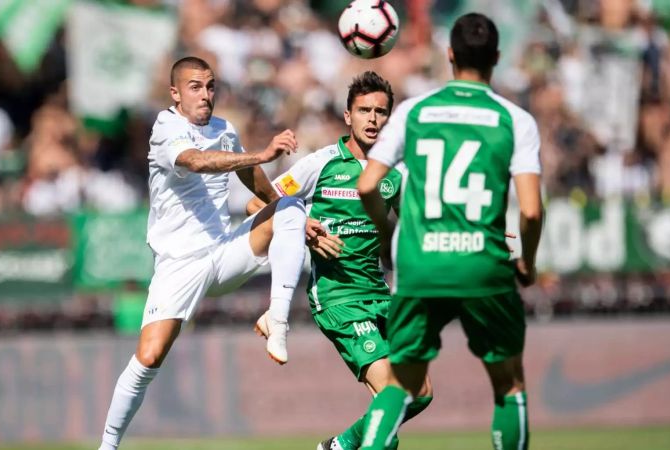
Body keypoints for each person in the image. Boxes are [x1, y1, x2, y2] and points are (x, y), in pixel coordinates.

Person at [97, 56, 313, 450]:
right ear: (175, 94)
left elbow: (248, 174)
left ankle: (277, 319)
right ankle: (108, 446)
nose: (206, 95)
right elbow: (197, 162)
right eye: (195, 87)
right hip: (180, 264)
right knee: (148, 358)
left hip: (224, 252)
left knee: (292, 207)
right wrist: (261, 155)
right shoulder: (166, 128)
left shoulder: (224, 129)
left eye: (211, 86)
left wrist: (287, 212)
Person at [354, 13, 544, 450]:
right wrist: (527, 264)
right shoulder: (515, 120)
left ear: (450, 54)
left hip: (419, 264)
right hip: (483, 264)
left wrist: (387, 238)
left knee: (400, 385)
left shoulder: (413, 112)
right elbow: (531, 213)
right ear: (497, 58)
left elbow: (368, 185)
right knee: (509, 384)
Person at [247, 71, 433, 450]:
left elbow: (423, 220)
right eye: (364, 110)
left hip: (380, 294)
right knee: (395, 394)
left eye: (381, 112)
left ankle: (340, 446)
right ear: (348, 116)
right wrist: (301, 225)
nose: (372, 119)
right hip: (338, 298)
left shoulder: (394, 173)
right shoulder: (323, 163)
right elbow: (257, 204)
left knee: (421, 392)